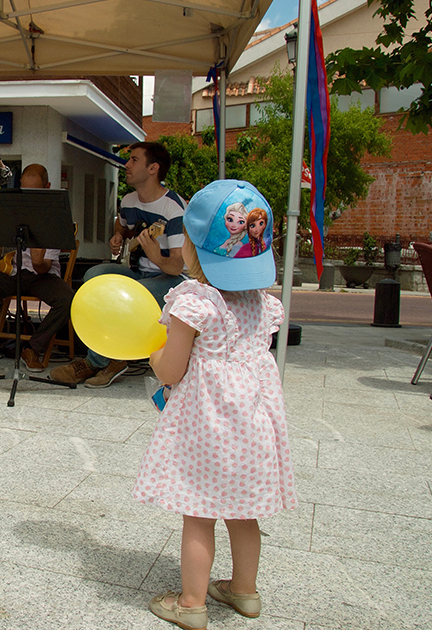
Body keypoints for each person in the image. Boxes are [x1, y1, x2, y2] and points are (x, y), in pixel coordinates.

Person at [133, 179, 296, 630]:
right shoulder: (262, 303)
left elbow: (171, 371)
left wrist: (153, 355)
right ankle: (244, 591)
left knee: (200, 511)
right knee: (245, 512)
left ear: (191, 248)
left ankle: (190, 603)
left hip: (209, 424)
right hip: (255, 421)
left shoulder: (195, 301)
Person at [50, 141, 185, 388]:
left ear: (153, 168)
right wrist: (118, 237)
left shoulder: (174, 208)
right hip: (138, 271)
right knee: (94, 276)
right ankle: (106, 358)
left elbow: (178, 265)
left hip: (173, 280)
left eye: (134, 160)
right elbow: (122, 226)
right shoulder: (130, 200)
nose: (127, 164)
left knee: (134, 294)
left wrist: (156, 256)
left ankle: (101, 362)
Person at [0, 164, 73, 372]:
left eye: (34, 191)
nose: (28, 196)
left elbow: (42, 268)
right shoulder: (11, 209)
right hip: (13, 272)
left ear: (47, 187)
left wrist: (38, 261)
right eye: (25, 190)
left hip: (43, 276)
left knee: (68, 299)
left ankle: (32, 348)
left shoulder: (54, 216)